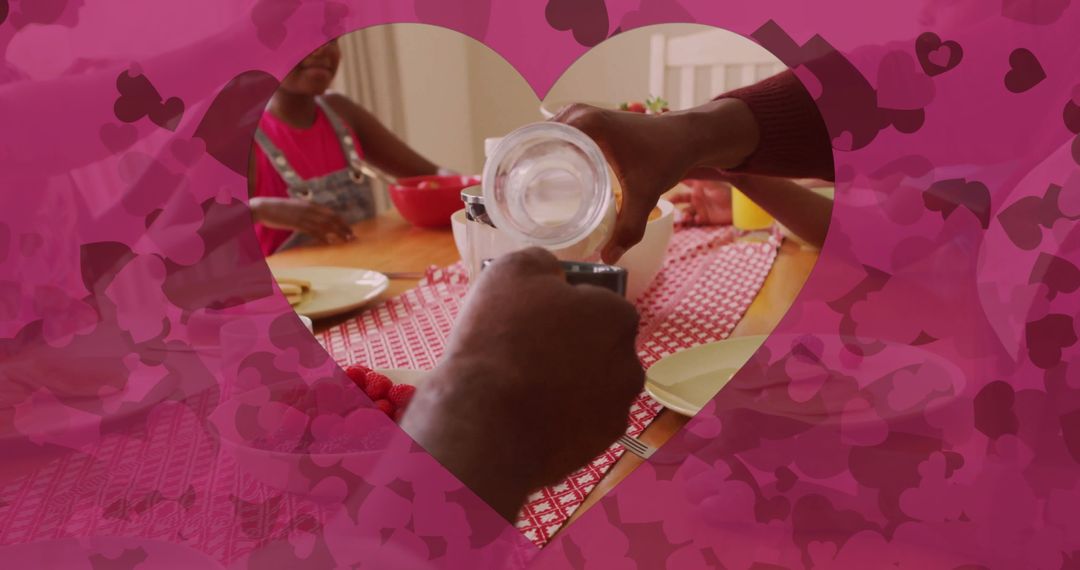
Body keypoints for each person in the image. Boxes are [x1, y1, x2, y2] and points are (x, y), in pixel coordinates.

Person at [247, 39, 452, 255]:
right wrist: (258, 209)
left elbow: (434, 176)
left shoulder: (341, 111)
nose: (323, 47)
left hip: (365, 276)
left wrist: (479, 187)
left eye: (331, 39)